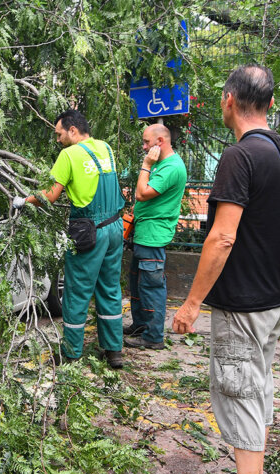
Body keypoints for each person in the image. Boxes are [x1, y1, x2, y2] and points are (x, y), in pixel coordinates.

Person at [171, 64, 280, 474]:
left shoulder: (239, 156)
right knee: (258, 387)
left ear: (229, 100)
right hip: (277, 297)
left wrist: (190, 304)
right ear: (268, 102)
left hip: (246, 304)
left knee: (240, 394)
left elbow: (222, 237)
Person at [12, 110, 124, 368]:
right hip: (115, 227)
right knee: (109, 288)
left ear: (73, 130)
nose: (58, 140)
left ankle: (72, 352)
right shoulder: (105, 148)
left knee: (76, 291)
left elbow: (49, 196)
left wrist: (24, 201)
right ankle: (114, 351)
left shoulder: (69, 155)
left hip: (89, 232)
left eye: (59, 134)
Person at [123, 124, 187, 350]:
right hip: (144, 233)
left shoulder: (171, 167)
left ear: (160, 141)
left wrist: (146, 165)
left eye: (146, 142)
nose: (143, 147)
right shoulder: (163, 164)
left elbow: (141, 194)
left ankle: (153, 337)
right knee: (138, 284)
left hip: (153, 236)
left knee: (151, 287)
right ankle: (141, 326)